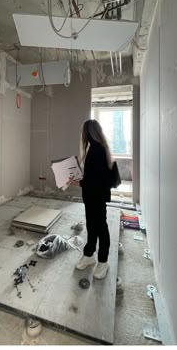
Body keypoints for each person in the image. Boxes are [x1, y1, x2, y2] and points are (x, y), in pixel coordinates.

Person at [69, 119, 113, 280]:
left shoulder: (97, 150)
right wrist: (81, 179)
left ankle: (103, 261)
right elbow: (94, 175)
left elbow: (97, 180)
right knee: (92, 225)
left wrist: (79, 182)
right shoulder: (95, 148)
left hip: (97, 196)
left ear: (87, 132)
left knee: (101, 227)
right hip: (91, 196)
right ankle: (89, 255)